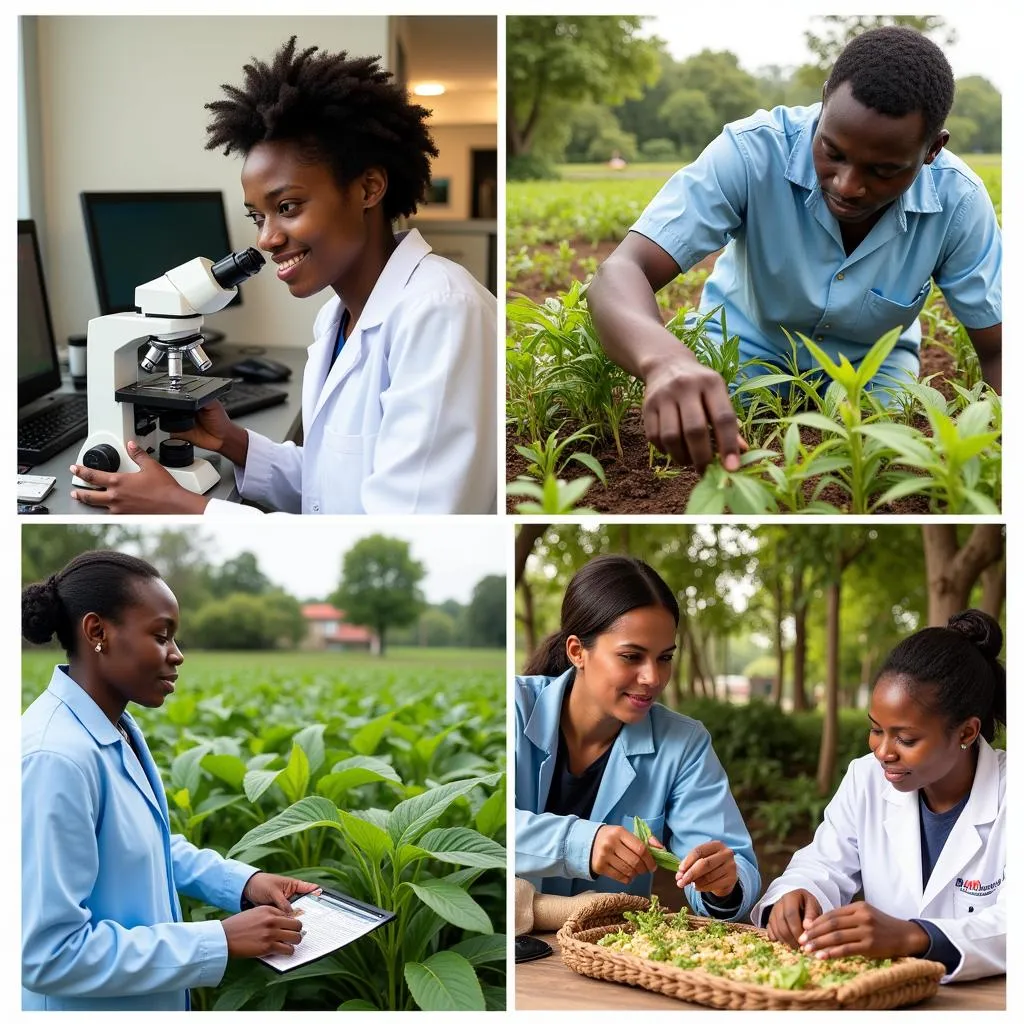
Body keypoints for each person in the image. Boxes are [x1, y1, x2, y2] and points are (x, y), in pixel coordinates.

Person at [69, 36, 497, 515]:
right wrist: (234, 442)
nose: (267, 240)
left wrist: (186, 508)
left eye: (288, 207)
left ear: (369, 189)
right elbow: (330, 487)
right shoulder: (337, 318)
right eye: (258, 217)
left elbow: (399, 529)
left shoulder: (441, 313)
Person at [587, 26, 1001, 475]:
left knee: (881, 461)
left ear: (933, 149)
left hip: (871, 370)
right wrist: (665, 361)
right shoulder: (751, 153)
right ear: (824, 101)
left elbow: (1000, 348)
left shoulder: (958, 202)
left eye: (884, 170)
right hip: (741, 349)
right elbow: (622, 271)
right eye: (832, 152)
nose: (848, 186)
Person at [21, 551, 321, 1010]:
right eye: (161, 636)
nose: (177, 655)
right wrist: (217, 941)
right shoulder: (55, 758)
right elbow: (48, 955)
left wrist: (243, 882)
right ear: (97, 632)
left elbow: (141, 844)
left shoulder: (111, 726)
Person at [751, 610, 1006, 983]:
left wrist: (913, 936)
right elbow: (822, 865)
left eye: (906, 739)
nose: (883, 752)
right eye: (875, 730)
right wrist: (797, 894)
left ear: (966, 732)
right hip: (882, 996)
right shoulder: (866, 779)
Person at [515, 555, 760, 922]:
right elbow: (480, 835)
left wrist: (723, 884)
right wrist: (582, 842)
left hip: (606, 950)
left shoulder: (684, 744)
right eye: (632, 656)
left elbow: (734, 864)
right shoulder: (515, 706)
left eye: (664, 658)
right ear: (577, 652)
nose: (652, 678)